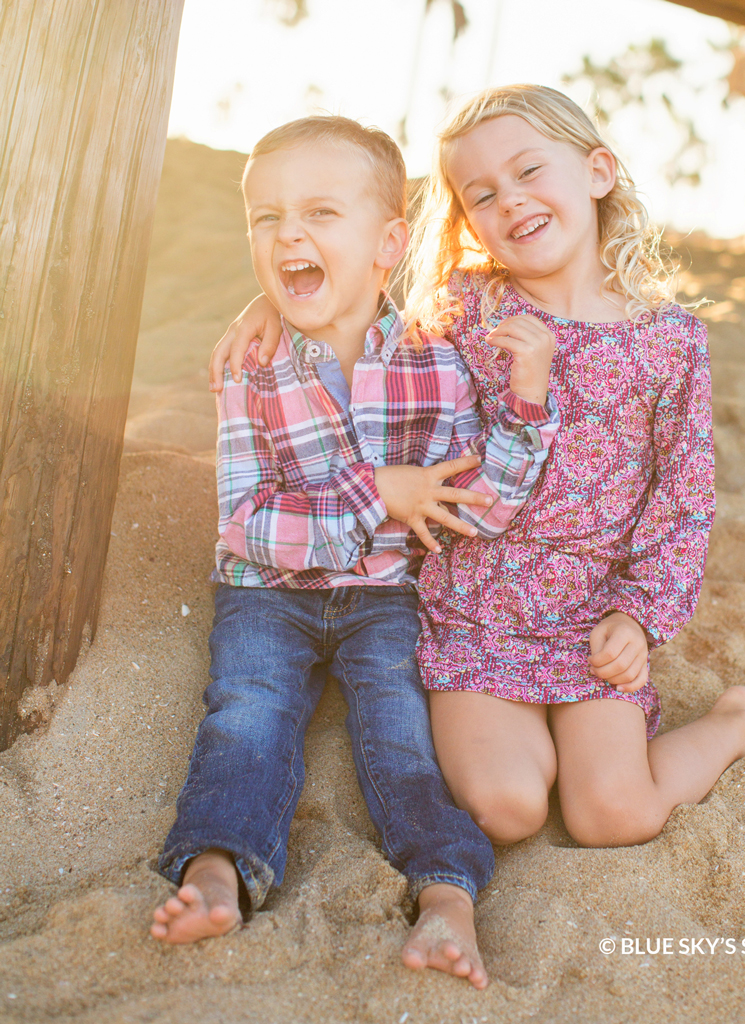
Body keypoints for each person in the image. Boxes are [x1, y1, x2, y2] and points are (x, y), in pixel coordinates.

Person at [209, 87, 745, 860]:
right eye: (483, 194)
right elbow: (348, 294)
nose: (513, 201)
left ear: (598, 171)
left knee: (614, 813)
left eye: (531, 170)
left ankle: (736, 722)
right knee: (506, 807)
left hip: (592, 616)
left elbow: (683, 504)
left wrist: (641, 618)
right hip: (473, 608)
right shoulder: (466, 308)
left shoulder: (670, 342)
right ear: (467, 220)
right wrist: (260, 307)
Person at [153, 115, 560, 991]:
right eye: (267, 218)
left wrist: (527, 405)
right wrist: (381, 492)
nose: (288, 234)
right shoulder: (250, 365)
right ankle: (217, 866)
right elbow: (244, 525)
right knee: (246, 712)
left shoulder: (439, 362)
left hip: (390, 594)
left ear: (387, 244)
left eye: (318, 214)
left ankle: (446, 890)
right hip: (266, 590)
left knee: (404, 732)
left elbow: (477, 507)